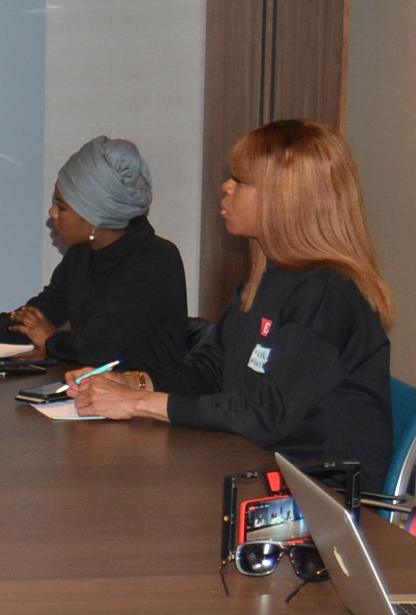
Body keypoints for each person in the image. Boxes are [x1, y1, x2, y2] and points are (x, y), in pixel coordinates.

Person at [73, 119, 392, 482]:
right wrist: (132, 383)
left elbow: (265, 414)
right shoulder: (268, 276)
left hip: (319, 497)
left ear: (285, 197)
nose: (226, 186)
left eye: (240, 181)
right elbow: (208, 370)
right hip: (257, 468)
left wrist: (138, 404)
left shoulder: (328, 292)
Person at [0, 135, 188, 375]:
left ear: (94, 216)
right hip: (96, 402)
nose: (52, 213)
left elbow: (96, 349)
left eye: (62, 206)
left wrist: (50, 339)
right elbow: (22, 324)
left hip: (149, 415)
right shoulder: (82, 255)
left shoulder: (154, 261)